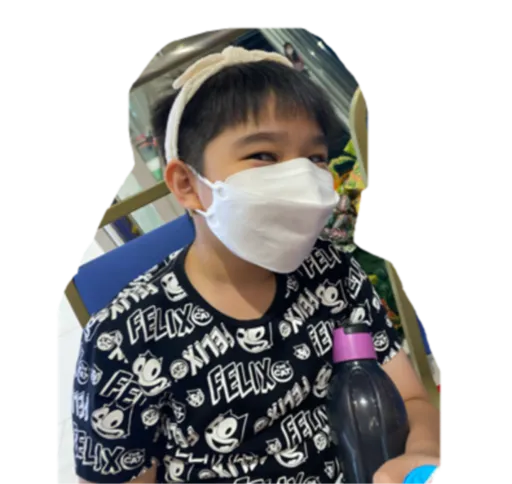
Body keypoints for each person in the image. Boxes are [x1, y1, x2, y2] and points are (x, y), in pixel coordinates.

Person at [73, 46, 440, 484]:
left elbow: (412, 400)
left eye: (315, 158)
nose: (299, 179)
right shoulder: (124, 339)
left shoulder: (332, 273)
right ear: (187, 184)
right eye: (263, 156)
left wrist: (418, 458)